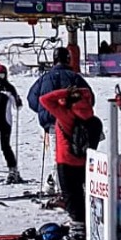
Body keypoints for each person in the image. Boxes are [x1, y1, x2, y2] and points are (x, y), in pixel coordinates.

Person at [39, 85, 97, 228]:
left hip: (66, 159)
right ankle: (82, 222)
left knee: (70, 195)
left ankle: (78, 227)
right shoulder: (88, 112)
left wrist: (65, 92)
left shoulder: (66, 114)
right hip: (83, 160)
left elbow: (44, 99)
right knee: (79, 193)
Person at [27, 47, 91, 135]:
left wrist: (45, 110)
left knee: (55, 147)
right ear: (68, 60)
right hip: (71, 123)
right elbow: (89, 98)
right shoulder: (75, 77)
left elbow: (32, 99)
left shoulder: (44, 78)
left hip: (50, 123)